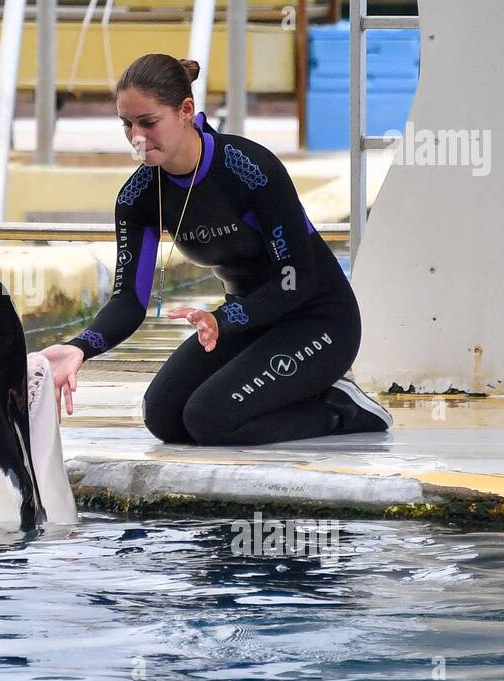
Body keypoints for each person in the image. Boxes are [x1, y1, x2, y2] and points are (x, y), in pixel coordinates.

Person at [37, 53, 392, 445]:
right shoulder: (138, 197)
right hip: (245, 323)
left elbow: (298, 279)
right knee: (164, 416)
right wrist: (79, 348)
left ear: (186, 110)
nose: (137, 137)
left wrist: (225, 319)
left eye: (148, 122)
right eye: (127, 124)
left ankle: (338, 406)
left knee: (211, 418)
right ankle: (293, 392)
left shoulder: (247, 168)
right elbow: (129, 300)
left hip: (318, 321)